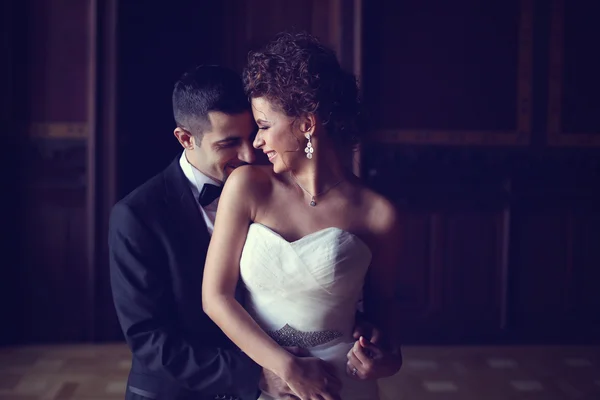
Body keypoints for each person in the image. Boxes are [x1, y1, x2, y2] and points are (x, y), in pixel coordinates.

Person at [109, 64, 391, 400]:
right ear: (186, 138)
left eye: (253, 133)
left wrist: (362, 330)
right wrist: (259, 375)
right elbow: (150, 341)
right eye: (229, 143)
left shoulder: (269, 184)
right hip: (181, 392)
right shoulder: (136, 215)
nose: (248, 154)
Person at [202, 33, 403, 400]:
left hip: (341, 385)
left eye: (263, 126)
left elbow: (383, 313)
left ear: (307, 124)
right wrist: (285, 367)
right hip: (268, 384)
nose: (256, 144)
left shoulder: (378, 213)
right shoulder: (247, 186)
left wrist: (388, 359)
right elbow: (215, 298)